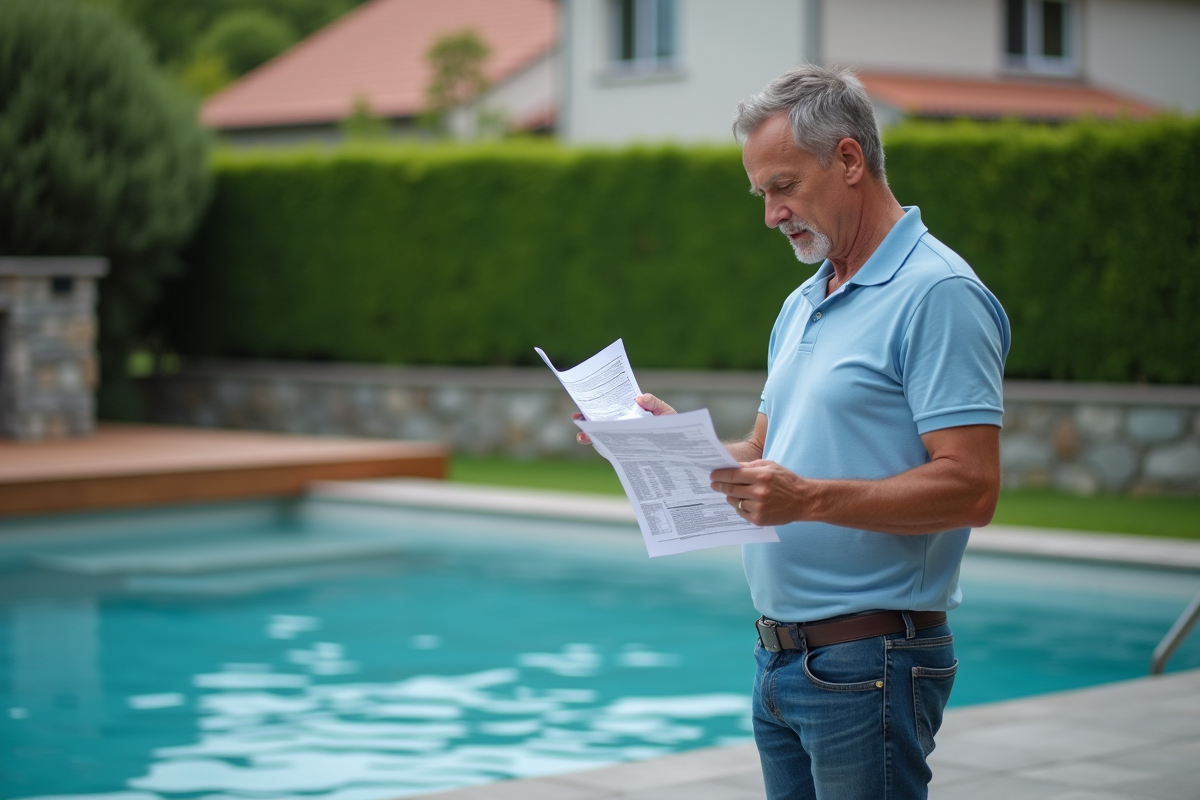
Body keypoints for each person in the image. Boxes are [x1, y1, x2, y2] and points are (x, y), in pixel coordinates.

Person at [576, 65, 1009, 799]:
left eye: (783, 186)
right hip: (781, 659)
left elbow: (972, 487)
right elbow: (764, 457)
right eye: (763, 194)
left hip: (871, 659)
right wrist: (664, 442)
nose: (772, 213)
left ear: (848, 160)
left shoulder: (940, 295)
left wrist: (807, 500)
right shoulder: (804, 302)